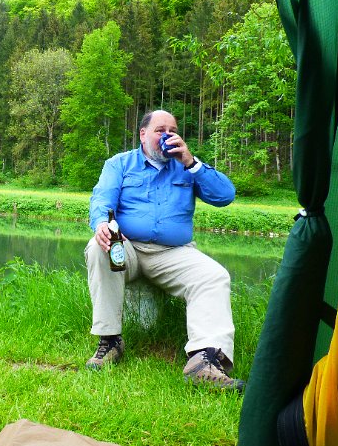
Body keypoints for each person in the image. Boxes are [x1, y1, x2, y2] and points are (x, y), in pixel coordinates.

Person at [84, 109, 245, 391]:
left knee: (213, 276)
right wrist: (101, 225)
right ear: (143, 134)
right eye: (160, 130)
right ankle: (110, 341)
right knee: (100, 248)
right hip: (129, 248)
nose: (167, 135)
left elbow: (225, 196)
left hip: (174, 253)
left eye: (172, 130)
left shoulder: (187, 166)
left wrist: (191, 161)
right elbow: (102, 199)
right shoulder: (119, 164)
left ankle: (204, 361)